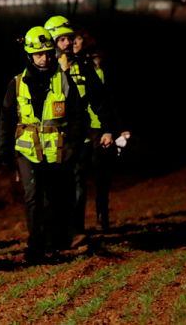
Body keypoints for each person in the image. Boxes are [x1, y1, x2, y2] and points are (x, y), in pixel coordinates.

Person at [0, 26, 86, 263]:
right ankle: (35, 243)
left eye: (47, 53)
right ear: (29, 55)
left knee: (55, 196)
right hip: (26, 152)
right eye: (38, 54)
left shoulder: (63, 80)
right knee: (32, 195)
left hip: (56, 151)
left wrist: (74, 146)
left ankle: (56, 239)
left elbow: (78, 115)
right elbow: (6, 118)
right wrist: (5, 150)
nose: (44, 58)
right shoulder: (16, 84)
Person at [65, 21, 130, 231]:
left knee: (102, 173)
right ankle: (77, 225)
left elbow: (108, 100)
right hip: (80, 129)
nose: (72, 43)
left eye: (77, 39)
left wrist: (113, 128)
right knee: (79, 177)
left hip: (98, 127)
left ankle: (102, 214)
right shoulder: (62, 68)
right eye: (69, 39)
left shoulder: (96, 69)